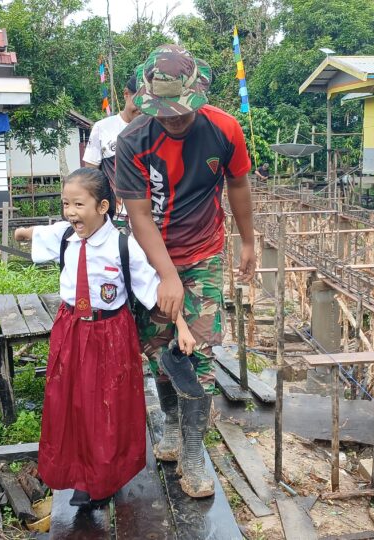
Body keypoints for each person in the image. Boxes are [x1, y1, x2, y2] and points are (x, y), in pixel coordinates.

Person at [116, 44, 256, 498]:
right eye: (164, 112)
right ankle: (172, 426)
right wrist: (165, 276)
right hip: (151, 258)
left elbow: (237, 182)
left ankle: (194, 451)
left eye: (181, 111)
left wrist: (249, 240)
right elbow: (138, 216)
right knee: (160, 349)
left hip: (204, 252)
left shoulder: (224, 130)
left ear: (199, 94)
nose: (173, 119)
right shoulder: (133, 141)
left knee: (199, 353)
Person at [14, 167, 196, 508]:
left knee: (107, 407)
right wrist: (23, 232)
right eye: (65, 203)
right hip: (70, 330)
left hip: (109, 333)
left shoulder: (123, 246)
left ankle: (104, 477)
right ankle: (80, 475)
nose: (70, 212)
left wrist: (182, 327)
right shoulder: (67, 236)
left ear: (102, 207)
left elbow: (157, 289)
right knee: (70, 403)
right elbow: (42, 232)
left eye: (78, 204)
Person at [83, 75, 140, 224]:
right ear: (126, 94)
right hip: (115, 217)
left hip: (150, 215)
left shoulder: (154, 128)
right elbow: (90, 176)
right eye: (138, 101)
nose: (141, 108)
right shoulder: (102, 128)